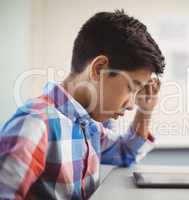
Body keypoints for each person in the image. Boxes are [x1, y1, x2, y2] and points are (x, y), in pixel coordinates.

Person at [0, 9, 165, 199]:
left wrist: (145, 110)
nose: (130, 105)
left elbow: (125, 152)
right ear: (99, 69)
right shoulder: (35, 125)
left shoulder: (89, 126)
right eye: (131, 87)